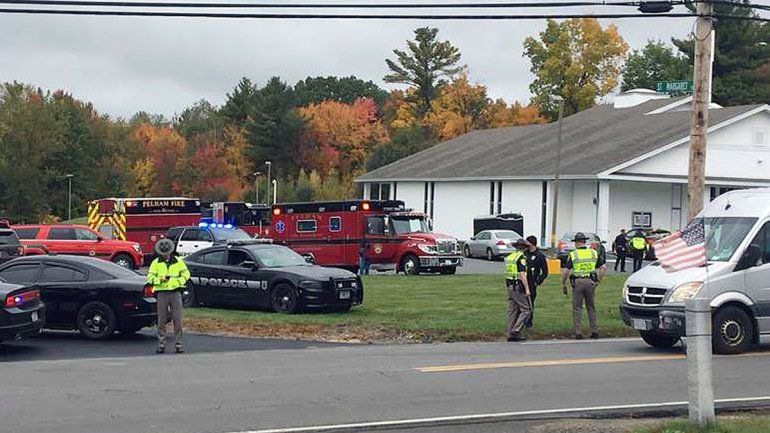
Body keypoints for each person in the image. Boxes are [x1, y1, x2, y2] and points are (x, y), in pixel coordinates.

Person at [147, 238, 190, 354]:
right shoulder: (156, 263)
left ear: (170, 251)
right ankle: (161, 345)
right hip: (162, 293)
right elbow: (150, 278)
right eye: (163, 253)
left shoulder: (178, 261)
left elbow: (186, 274)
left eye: (167, 252)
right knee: (161, 320)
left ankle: (179, 345)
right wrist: (160, 280)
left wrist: (179, 282)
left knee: (178, 320)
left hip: (175, 292)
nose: (165, 255)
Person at [561, 232, 606, 340]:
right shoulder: (593, 253)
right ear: (584, 242)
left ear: (576, 243)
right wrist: (597, 281)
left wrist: (563, 283)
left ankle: (578, 333)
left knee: (577, 308)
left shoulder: (573, 254)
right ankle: (594, 331)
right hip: (590, 281)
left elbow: (566, 271)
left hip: (578, 282)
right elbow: (603, 267)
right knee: (591, 307)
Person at [505, 238, 531, 342]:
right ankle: (515, 331)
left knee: (512, 311)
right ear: (524, 248)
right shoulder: (521, 258)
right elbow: (522, 274)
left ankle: (509, 333)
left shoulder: (510, 257)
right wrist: (527, 289)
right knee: (526, 310)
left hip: (510, 286)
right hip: (518, 287)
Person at [524, 235, 548, 328]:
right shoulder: (525, 254)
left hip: (532, 282)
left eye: (527, 242)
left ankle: (528, 322)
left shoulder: (539, 255)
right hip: (523, 281)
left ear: (531, 243)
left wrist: (538, 281)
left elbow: (545, 272)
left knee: (530, 303)